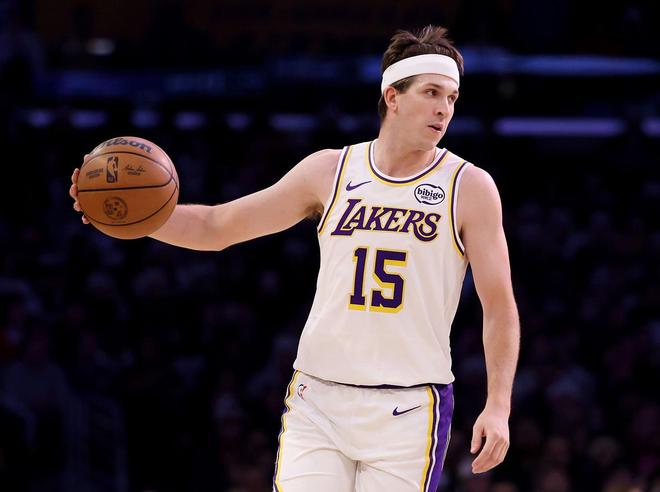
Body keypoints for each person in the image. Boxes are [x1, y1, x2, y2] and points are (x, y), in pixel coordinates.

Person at [70, 25, 520, 492]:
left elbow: (500, 307)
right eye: (431, 93)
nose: (444, 108)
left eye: (452, 97)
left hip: (408, 409)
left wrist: (498, 405)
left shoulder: (469, 187)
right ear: (393, 96)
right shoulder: (329, 170)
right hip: (318, 399)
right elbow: (216, 227)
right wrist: (130, 217)